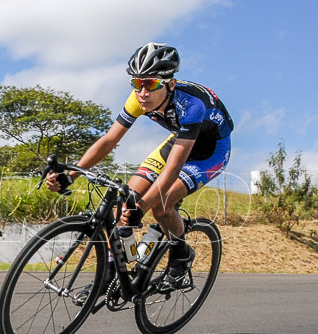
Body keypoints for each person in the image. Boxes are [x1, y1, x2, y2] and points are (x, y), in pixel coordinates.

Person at [47, 42, 233, 284]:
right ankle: (117, 273)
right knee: (126, 201)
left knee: (161, 206)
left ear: (170, 84)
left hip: (211, 151)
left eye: (151, 84)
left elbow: (174, 167)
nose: (143, 92)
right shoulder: (137, 99)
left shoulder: (192, 106)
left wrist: (143, 206)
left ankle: (181, 255)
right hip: (179, 140)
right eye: (137, 83)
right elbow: (109, 140)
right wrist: (71, 175)